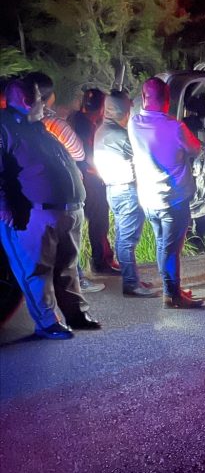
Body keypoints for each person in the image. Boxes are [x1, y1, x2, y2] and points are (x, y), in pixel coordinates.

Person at [0, 77, 101, 338]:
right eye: (39, 98)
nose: (44, 104)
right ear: (26, 101)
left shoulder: (37, 126)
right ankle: (48, 322)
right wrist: (5, 208)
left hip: (65, 209)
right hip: (34, 213)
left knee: (67, 267)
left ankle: (75, 314)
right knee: (36, 271)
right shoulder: (5, 127)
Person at [25, 71, 105, 295]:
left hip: (30, 191)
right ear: (48, 97)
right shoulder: (53, 123)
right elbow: (78, 152)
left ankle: (43, 287)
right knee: (68, 239)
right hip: (59, 190)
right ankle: (77, 282)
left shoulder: (15, 122)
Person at [128, 77, 204, 308]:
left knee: (163, 244)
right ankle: (172, 296)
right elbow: (196, 149)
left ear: (144, 97)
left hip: (149, 199)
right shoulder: (175, 127)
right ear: (168, 100)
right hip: (173, 199)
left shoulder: (133, 123)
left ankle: (171, 289)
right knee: (170, 249)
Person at [94, 91, 156, 298]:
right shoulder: (120, 136)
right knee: (127, 241)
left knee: (123, 237)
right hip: (126, 190)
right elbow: (146, 154)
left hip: (114, 190)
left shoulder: (102, 130)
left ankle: (132, 279)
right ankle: (131, 284)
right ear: (124, 111)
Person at [69, 87, 120, 275]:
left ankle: (101, 260)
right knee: (99, 222)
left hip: (80, 178)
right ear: (101, 107)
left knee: (95, 222)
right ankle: (102, 262)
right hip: (89, 180)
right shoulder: (85, 126)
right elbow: (89, 157)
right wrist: (104, 173)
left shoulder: (78, 120)